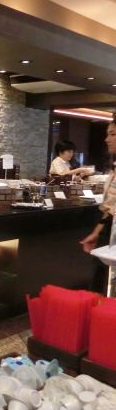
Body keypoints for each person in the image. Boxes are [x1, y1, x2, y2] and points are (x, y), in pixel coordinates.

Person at [79, 121, 116, 291]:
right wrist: (97, 232)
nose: (107, 139)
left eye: (113, 134)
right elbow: (111, 205)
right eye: (108, 134)